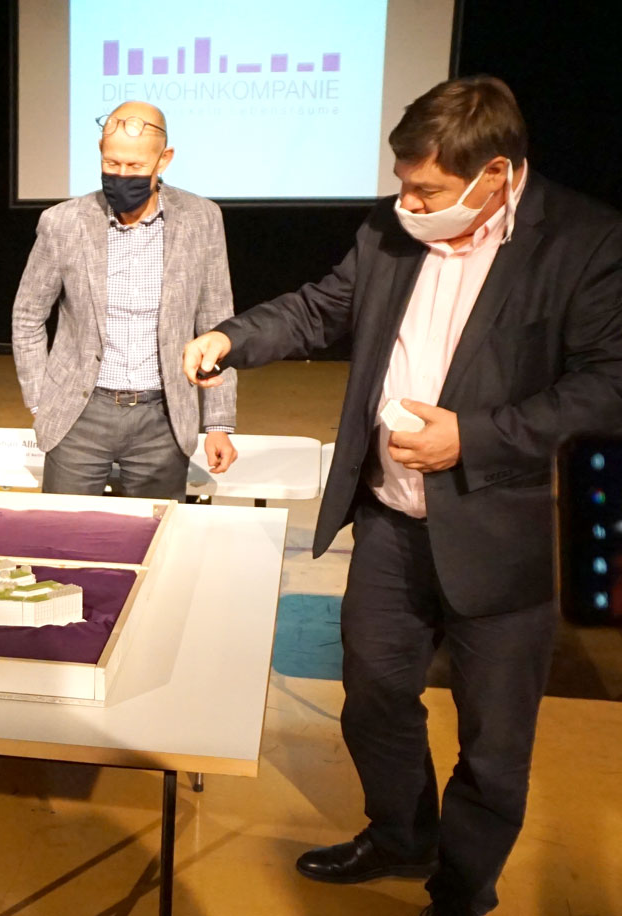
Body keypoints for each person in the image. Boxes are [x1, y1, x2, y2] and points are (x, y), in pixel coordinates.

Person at [183, 75, 622, 916]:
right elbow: (319, 309)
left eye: (426, 190)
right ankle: (400, 835)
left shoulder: (587, 242)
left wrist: (474, 436)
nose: (406, 203)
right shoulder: (393, 229)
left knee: (494, 743)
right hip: (391, 520)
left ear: (495, 175)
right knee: (375, 697)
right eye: (402, 183)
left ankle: (462, 891)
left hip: (503, 535)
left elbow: (607, 387)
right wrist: (232, 338)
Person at [11, 101, 238, 500]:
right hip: (78, 416)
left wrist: (218, 421)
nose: (121, 175)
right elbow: (28, 314)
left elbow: (217, 323)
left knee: (155, 534)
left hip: (163, 419)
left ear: (163, 159)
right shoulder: (63, 222)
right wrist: (41, 402)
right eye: (111, 163)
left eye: (134, 166)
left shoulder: (202, 218)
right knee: (65, 533)